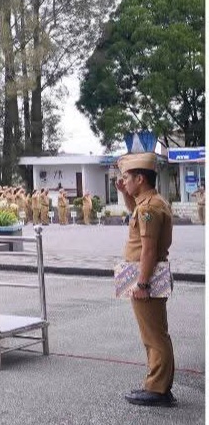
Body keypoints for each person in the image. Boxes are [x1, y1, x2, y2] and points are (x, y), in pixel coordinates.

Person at [116, 152, 175, 407]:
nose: (123, 181)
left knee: (154, 335)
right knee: (155, 333)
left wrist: (142, 284)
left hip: (146, 277)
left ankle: (157, 389)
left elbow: (148, 250)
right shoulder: (149, 203)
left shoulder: (149, 208)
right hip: (146, 275)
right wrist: (125, 194)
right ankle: (158, 385)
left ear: (140, 179)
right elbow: (135, 214)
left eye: (127, 178)